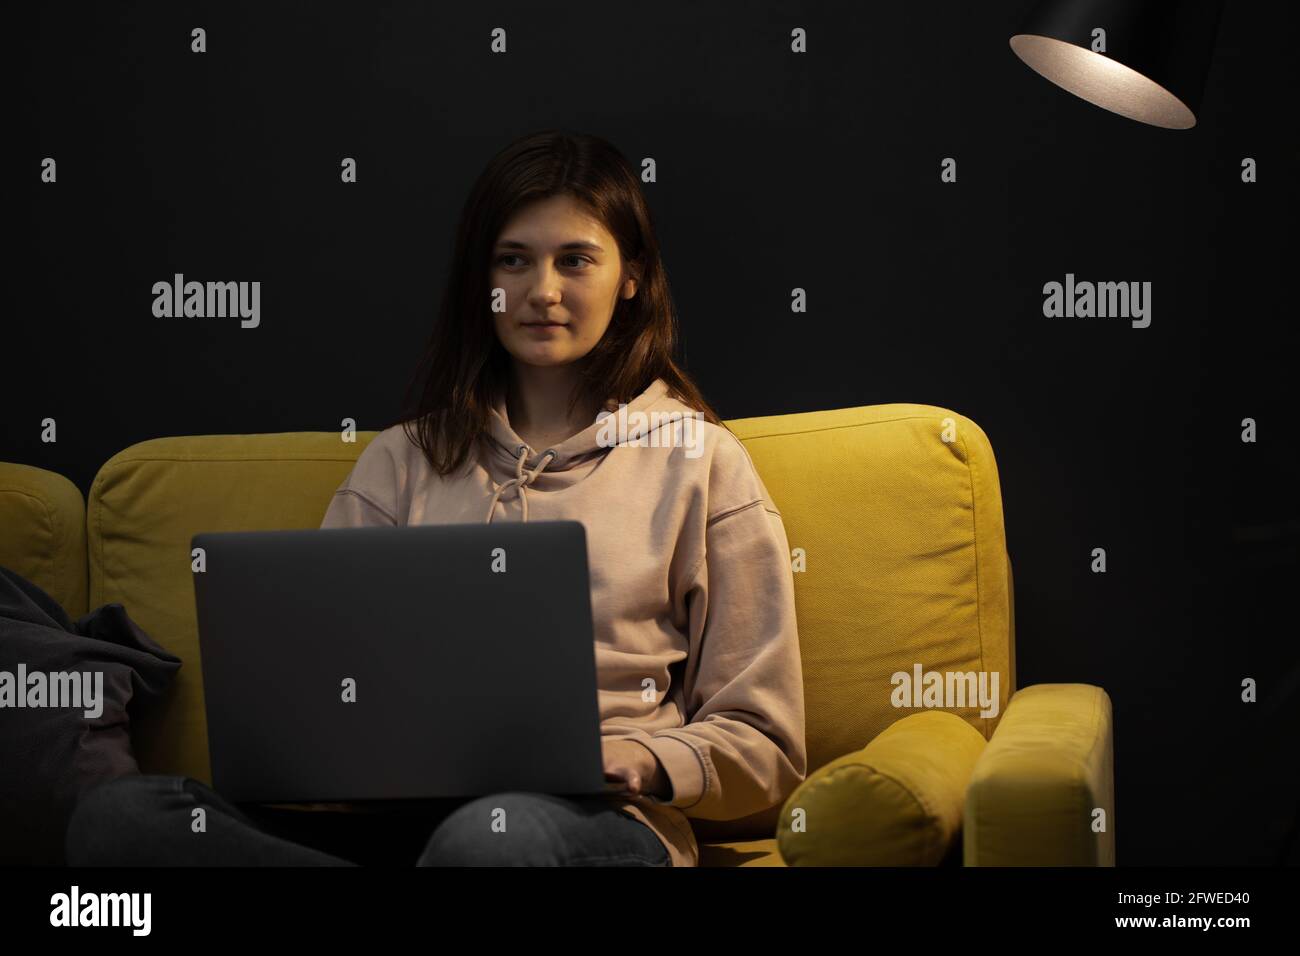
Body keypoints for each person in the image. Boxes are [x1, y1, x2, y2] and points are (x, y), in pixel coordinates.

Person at [65, 129, 806, 867]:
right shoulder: (401, 460)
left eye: (575, 260)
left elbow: (767, 743)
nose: (541, 291)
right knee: (121, 818)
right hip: (392, 822)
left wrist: (641, 758)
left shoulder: (701, 462)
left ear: (633, 277)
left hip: (590, 823)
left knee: (490, 842)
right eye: (512, 260)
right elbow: (323, 686)